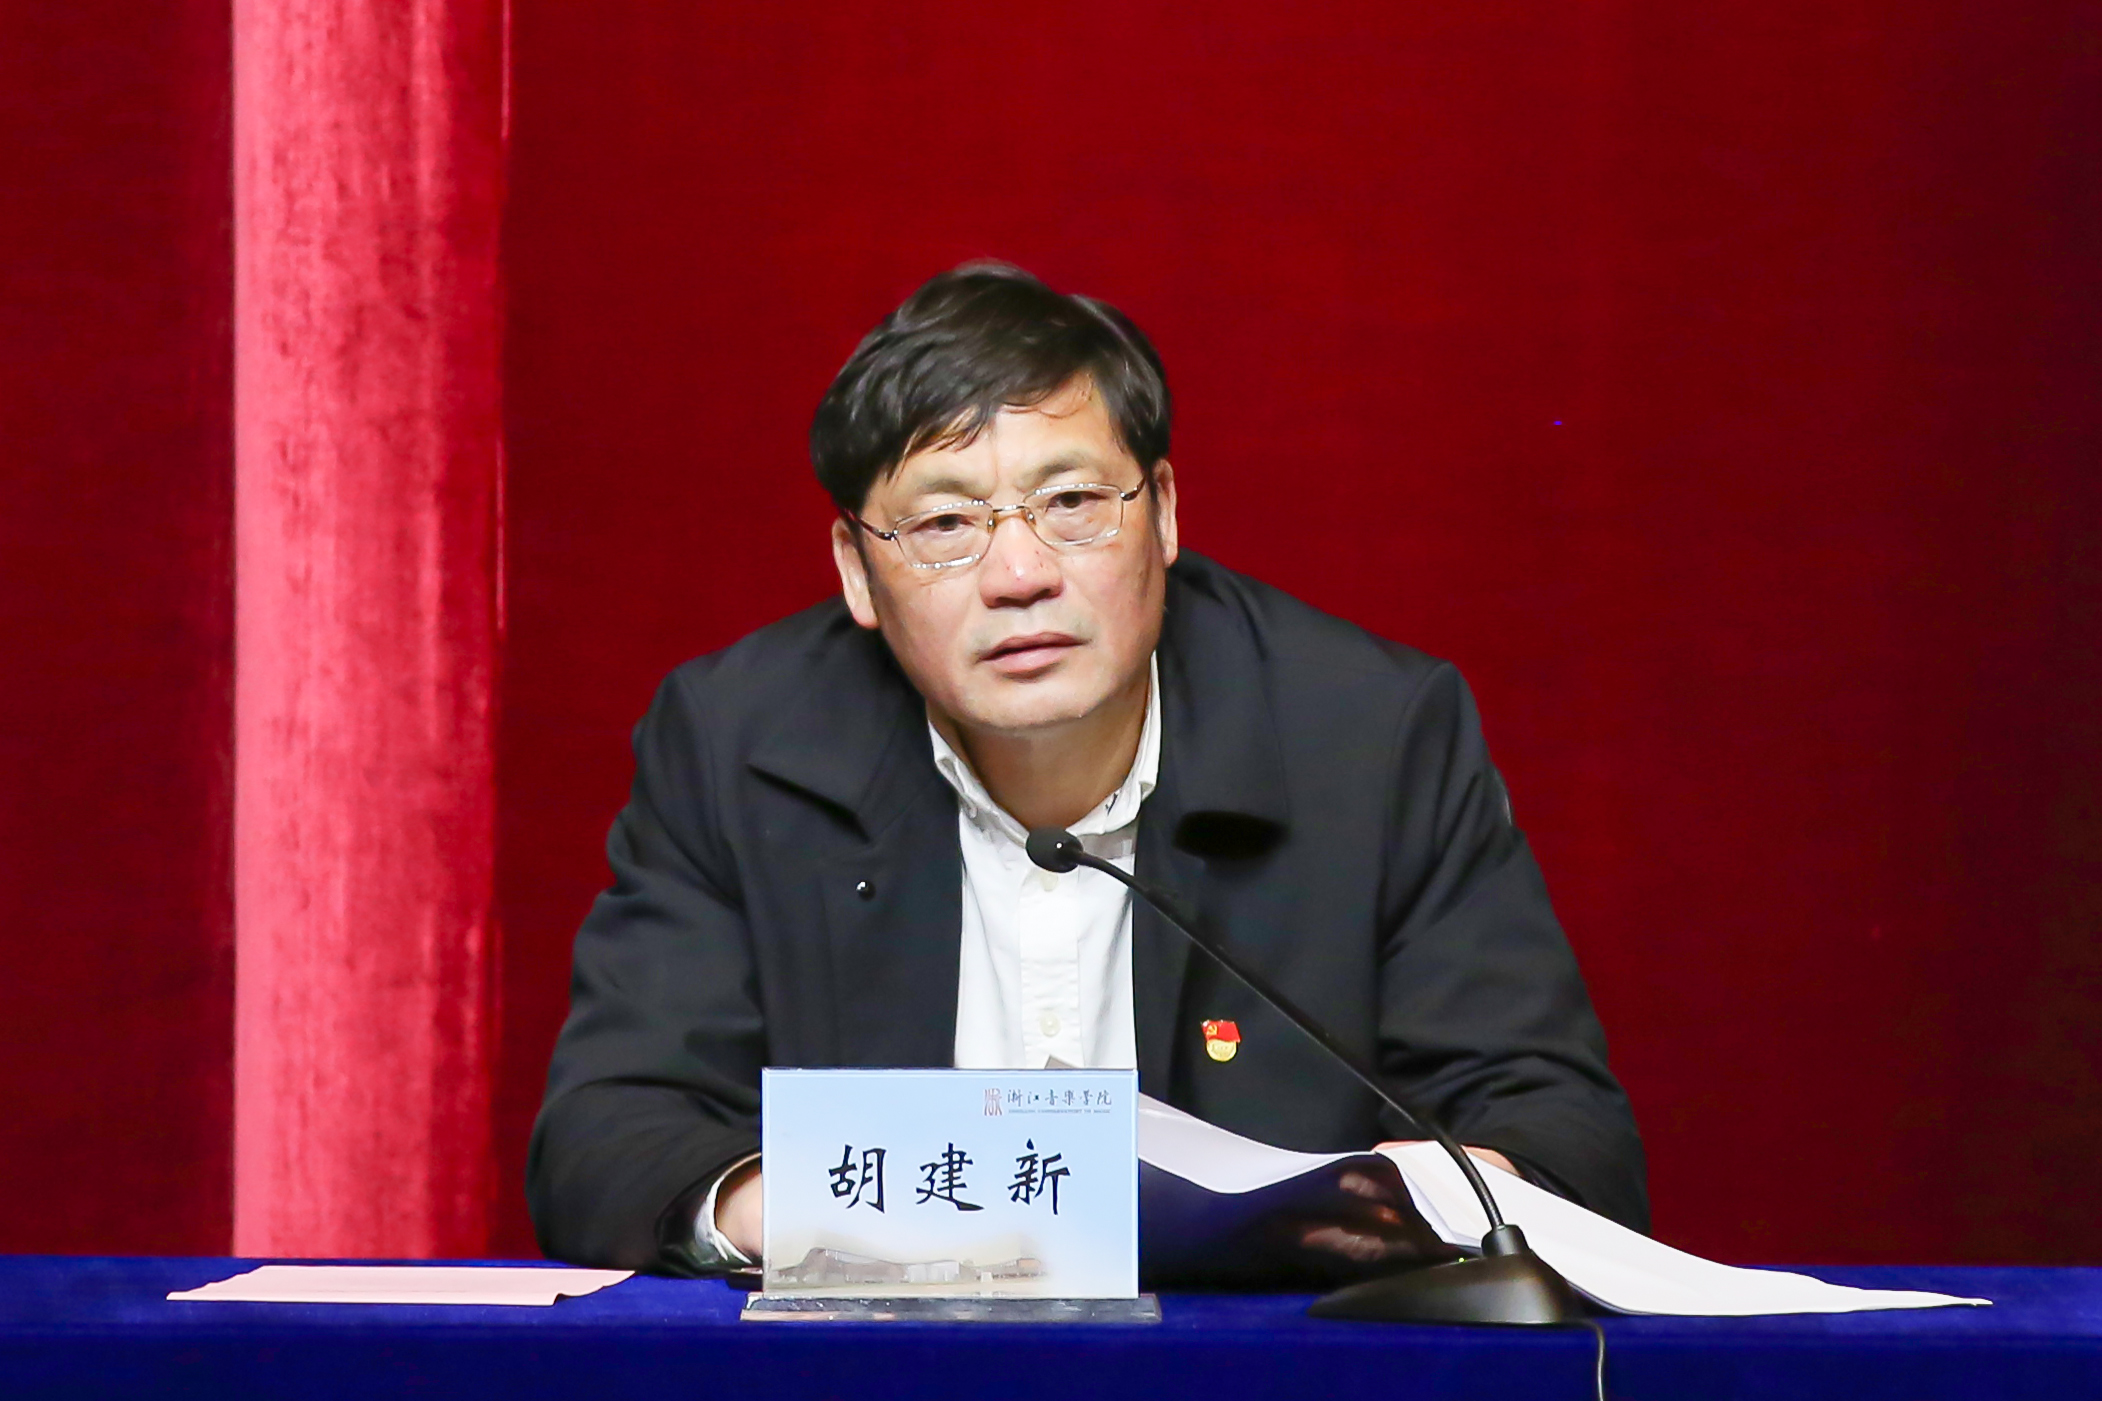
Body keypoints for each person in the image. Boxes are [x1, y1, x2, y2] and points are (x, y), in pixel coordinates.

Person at [528, 263, 1646, 1280]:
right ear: (857, 572)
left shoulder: (1371, 736)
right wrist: (833, 1215)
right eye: (945, 523)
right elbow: (607, 1137)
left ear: (1163, 512)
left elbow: (1563, 1133)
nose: (1018, 574)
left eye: (1070, 504)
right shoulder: (737, 741)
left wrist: (1442, 1196)